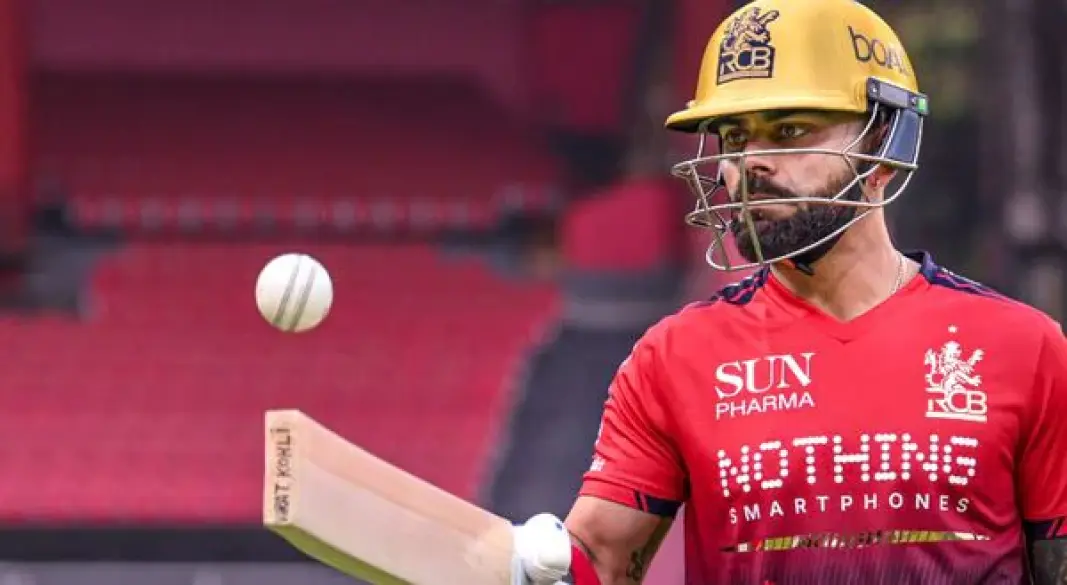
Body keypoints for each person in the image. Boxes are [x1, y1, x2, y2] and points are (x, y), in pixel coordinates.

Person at [508, 0, 1067, 583]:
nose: (749, 163)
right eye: (733, 137)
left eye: (788, 131)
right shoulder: (673, 358)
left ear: (885, 144)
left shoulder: (1023, 349)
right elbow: (596, 560)